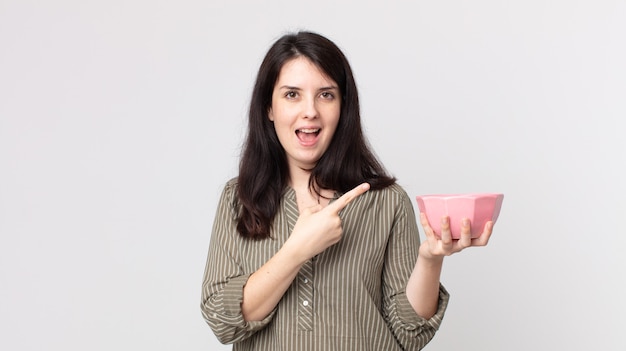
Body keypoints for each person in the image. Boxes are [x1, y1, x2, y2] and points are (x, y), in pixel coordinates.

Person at [200, 31, 494, 350]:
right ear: (268, 107)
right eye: (292, 95)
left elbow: (410, 333)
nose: (310, 111)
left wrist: (430, 260)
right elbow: (222, 319)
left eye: (326, 94)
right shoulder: (238, 198)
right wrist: (297, 249)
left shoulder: (387, 202)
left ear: (343, 108)